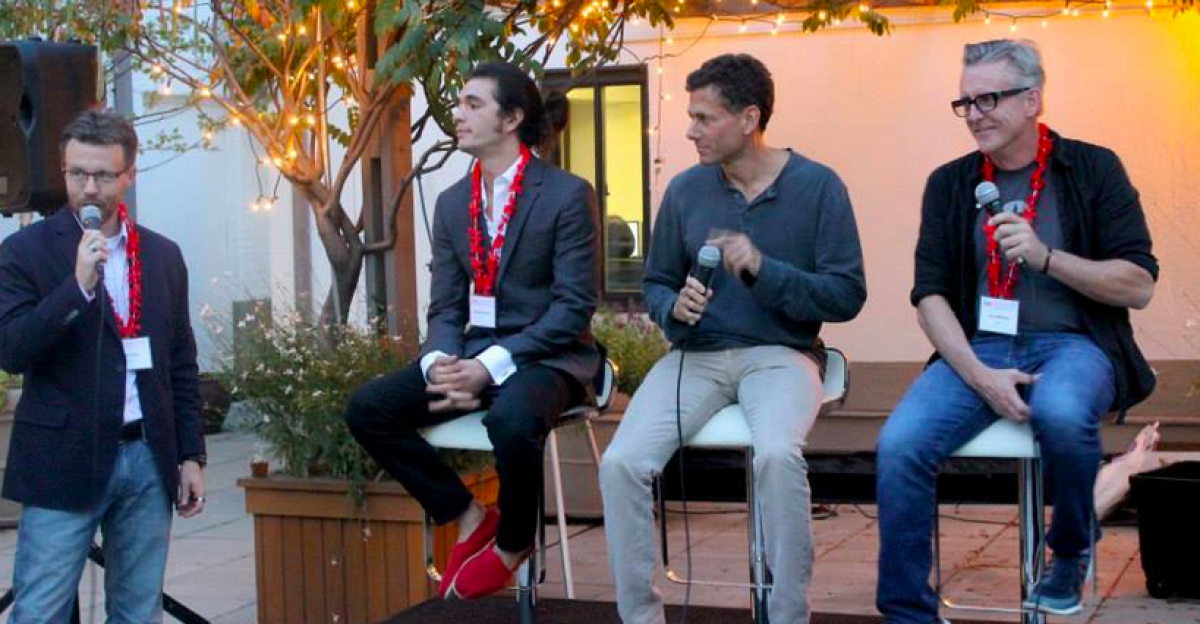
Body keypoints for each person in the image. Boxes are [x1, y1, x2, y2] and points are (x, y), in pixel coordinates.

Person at [875, 39, 1158, 623]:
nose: (975, 113)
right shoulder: (951, 184)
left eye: (990, 99)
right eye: (966, 102)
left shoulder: (1092, 169)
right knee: (899, 445)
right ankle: (907, 613)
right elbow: (928, 297)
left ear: (1033, 100)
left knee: (1060, 412)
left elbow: (1138, 284)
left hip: (1075, 344)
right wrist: (980, 378)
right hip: (980, 349)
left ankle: (1070, 554)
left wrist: (1046, 257)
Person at [600, 53, 867, 624]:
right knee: (621, 463)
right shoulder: (686, 190)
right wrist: (675, 305)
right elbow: (655, 282)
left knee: (776, 454)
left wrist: (763, 271)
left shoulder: (818, 187)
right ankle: (640, 619)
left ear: (748, 119)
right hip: (695, 358)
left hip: (781, 354)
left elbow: (847, 296)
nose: (690, 130)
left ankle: (788, 616)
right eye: (690, 116)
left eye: (703, 118)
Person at [344, 61, 600, 601]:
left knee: (510, 420)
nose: (457, 115)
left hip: (546, 358)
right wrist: (441, 360)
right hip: (473, 355)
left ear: (512, 119)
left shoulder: (566, 194)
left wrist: (488, 367)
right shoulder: (452, 202)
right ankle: (465, 514)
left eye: (472, 104)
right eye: (459, 103)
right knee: (369, 408)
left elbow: (573, 308)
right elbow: (445, 306)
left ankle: (511, 544)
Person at [0, 109, 206, 622]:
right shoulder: (24, 253)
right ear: (63, 170)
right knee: (40, 610)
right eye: (76, 174)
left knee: (137, 612)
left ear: (129, 175)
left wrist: (191, 455)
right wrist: (77, 287)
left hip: (144, 458)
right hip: (61, 457)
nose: (89, 188)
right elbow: (13, 350)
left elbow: (180, 362)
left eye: (103, 176)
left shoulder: (162, 256)